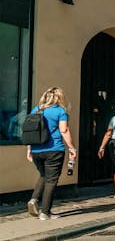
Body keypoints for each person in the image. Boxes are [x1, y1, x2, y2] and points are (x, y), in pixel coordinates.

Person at [26, 87, 77, 220]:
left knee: (44, 175)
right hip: (54, 149)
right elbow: (64, 130)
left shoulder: (36, 110)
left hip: (36, 150)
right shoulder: (60, 111)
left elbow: (30, 131)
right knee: (51, 180)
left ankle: (34, 200)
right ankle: (45, 212)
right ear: (59, 98)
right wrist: (72, 148)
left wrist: (29, 149)